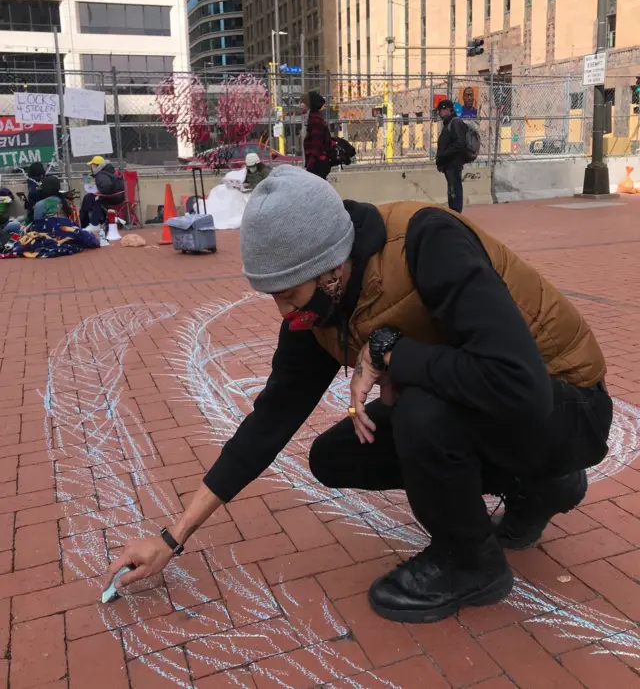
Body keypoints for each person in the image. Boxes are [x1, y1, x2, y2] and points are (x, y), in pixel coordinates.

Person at [107, 166, 612, 625]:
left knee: (420, 410)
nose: (283, 311)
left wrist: (393, 352)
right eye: (273, 295)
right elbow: (269, 422)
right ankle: (542, 486)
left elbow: (519, 385)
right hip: (498, 409)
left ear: (332, 269)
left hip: (569, 405)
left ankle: (470, 563)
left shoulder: (427, 240)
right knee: (337, 455)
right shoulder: (317, 310)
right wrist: (173, 537)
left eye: (288, 292)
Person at [436, 98, 468, 214]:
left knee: (455, 190)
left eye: (441, 110)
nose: (439, 113)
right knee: (452, 190)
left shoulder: (455, 122)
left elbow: (459, 143)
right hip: (448, 164)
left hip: (453, 163)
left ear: (448, 109)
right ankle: (454, 213)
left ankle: (456, 214)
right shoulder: (448, 124)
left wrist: (445, 154)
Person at [79, 156, 125, 232]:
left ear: (95, 166)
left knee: (92, 199)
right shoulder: (106, 172)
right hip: (117, 196)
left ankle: (94, 224)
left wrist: (99, 195)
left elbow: (106, 187)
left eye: (92, 166)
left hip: (114, 197)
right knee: (89, 197)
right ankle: (97, 222)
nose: (91, 168)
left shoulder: (100, 175)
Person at [302, 91, 333, 179]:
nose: (300, 105)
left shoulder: (315, 120)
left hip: (318, 163)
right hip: (317, 162)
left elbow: (317, 143)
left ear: (310, 104)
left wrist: (311, 164)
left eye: (303, 102)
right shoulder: (313, 118)